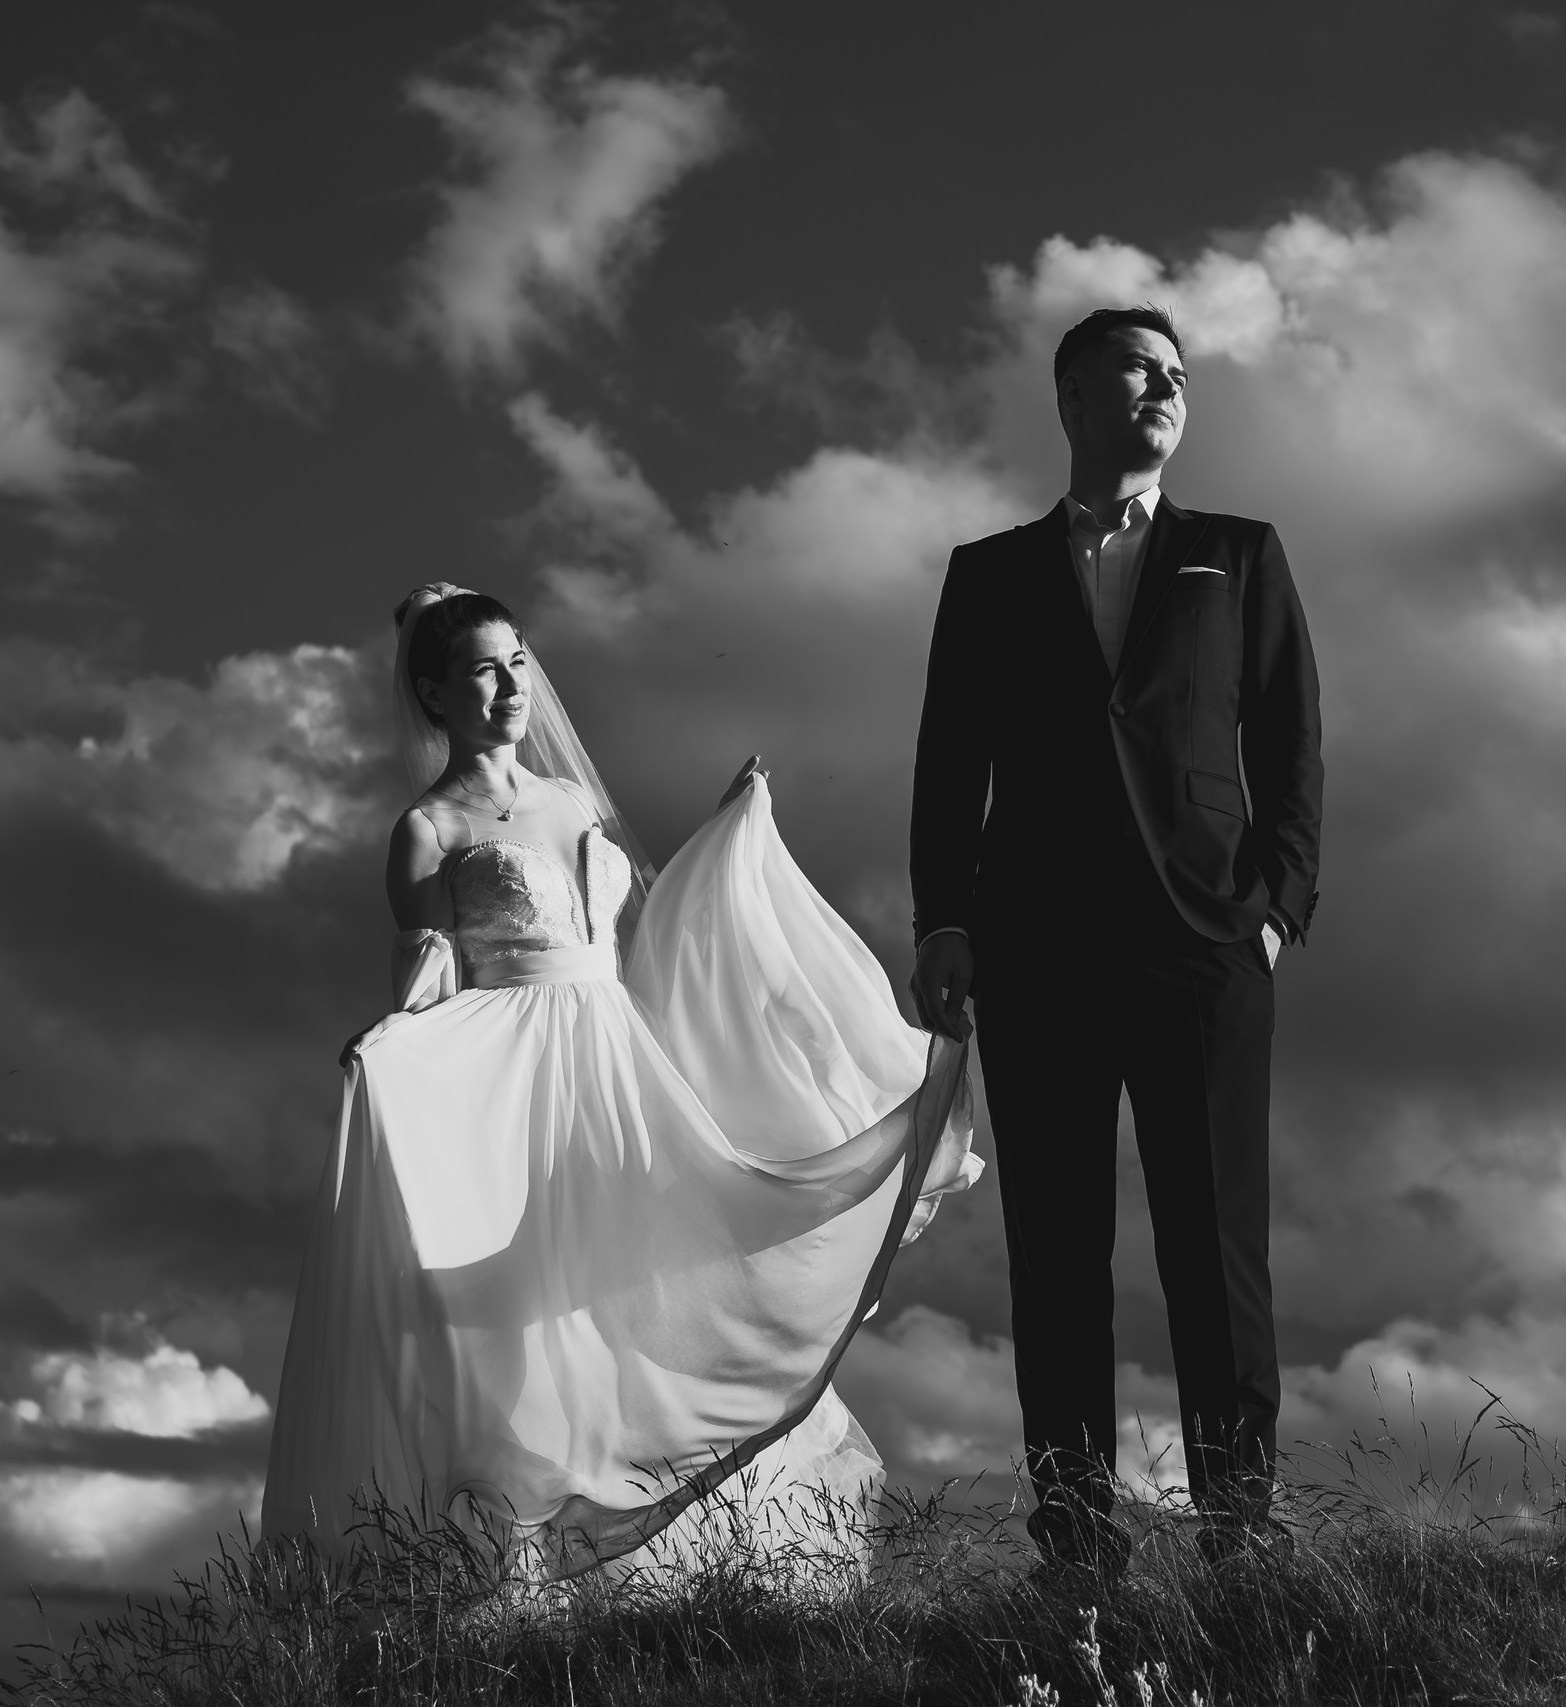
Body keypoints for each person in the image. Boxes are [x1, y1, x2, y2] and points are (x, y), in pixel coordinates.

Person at [261, 585, 979, 1579]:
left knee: (651, 1273)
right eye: (482, 667)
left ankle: (693, 1551)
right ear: (433, 692)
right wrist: (390, 1047)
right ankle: (522, 1553)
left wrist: (726, 838)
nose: (511, 684)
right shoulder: (426, 831)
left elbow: (636, 931)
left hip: (614, 1057)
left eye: (517, 660)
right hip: (523, 1074)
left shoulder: (573, 803)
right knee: (538, 1305)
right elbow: (431, 979)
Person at [908, 305, 1323, 1572]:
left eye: (1179, 378)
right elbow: (948, 764)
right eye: (1138, 371)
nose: (1164, 389)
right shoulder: (986, 572)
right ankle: (1077, 1540)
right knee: (1057, 1252)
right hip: (1036, 949)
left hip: (1204, 940)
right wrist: (946, 919)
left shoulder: (1238, 554)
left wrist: (1276, 910)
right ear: (1072, 399)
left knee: (1215, 1248)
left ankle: (1239, 1532)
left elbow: (1290, 742)